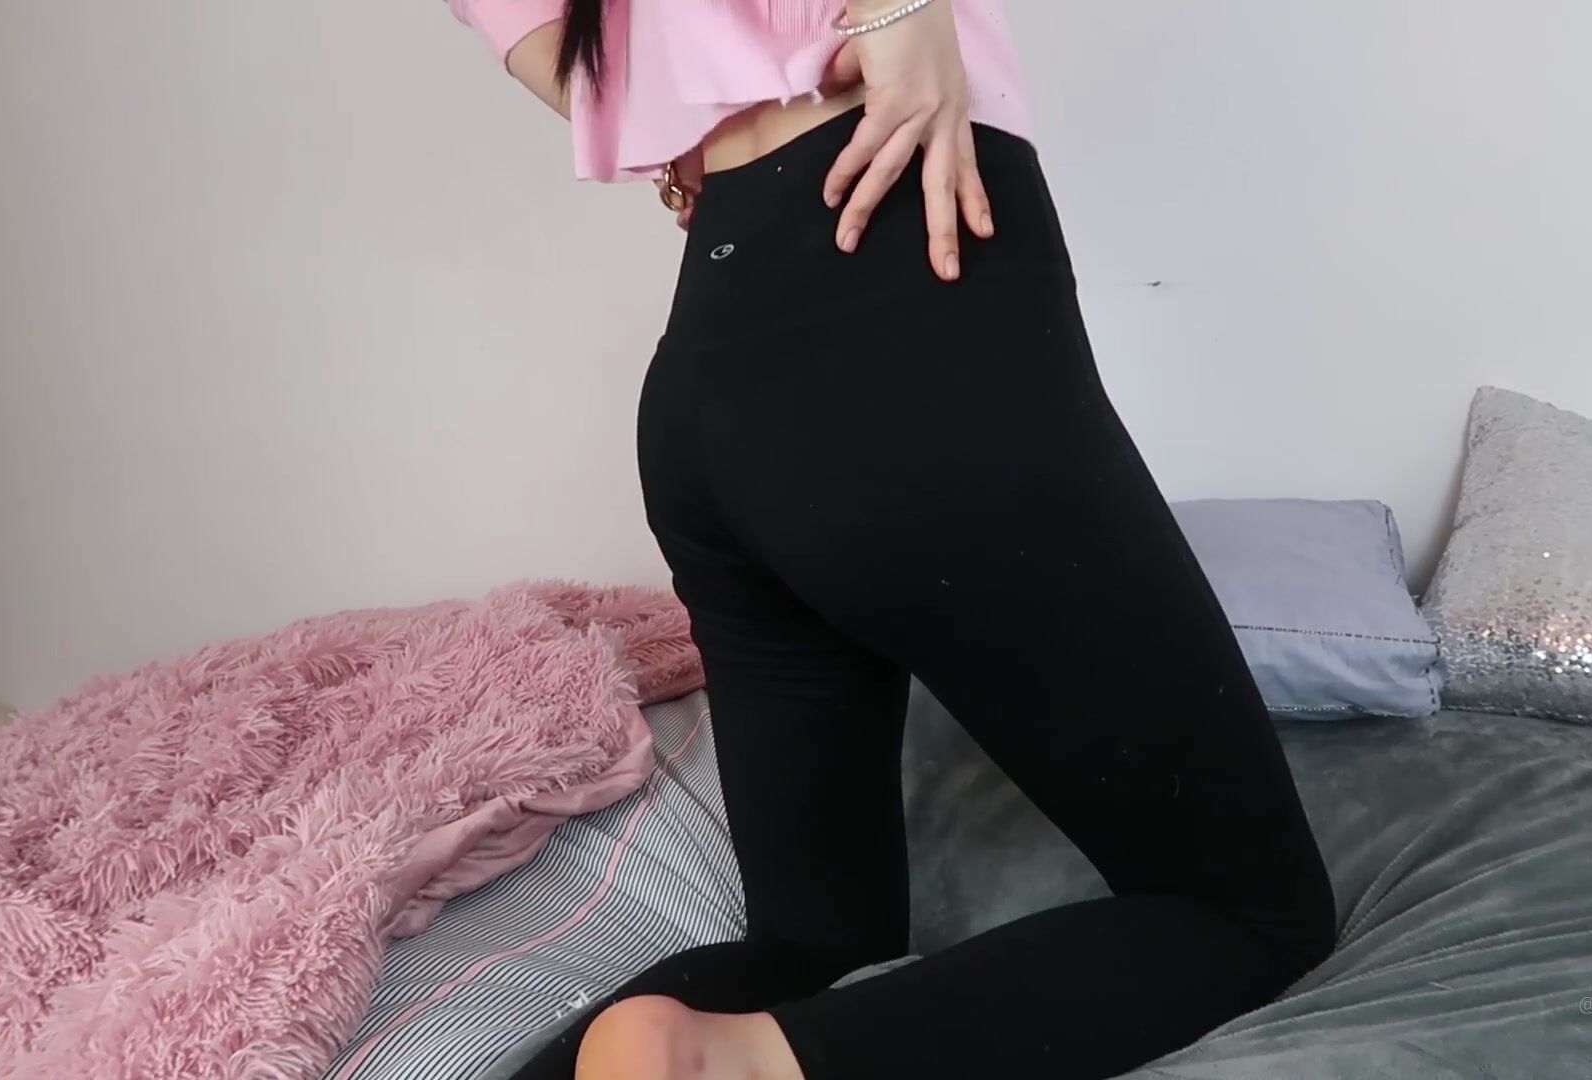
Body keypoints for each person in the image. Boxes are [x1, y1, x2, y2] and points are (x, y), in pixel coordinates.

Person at [442, 2, 1336, 1077]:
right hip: (908, 326)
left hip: (707, 385)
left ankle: (675, 1050)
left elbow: (582, 67)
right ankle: (742, 1067)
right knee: (1255, 916)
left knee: (814, 945)